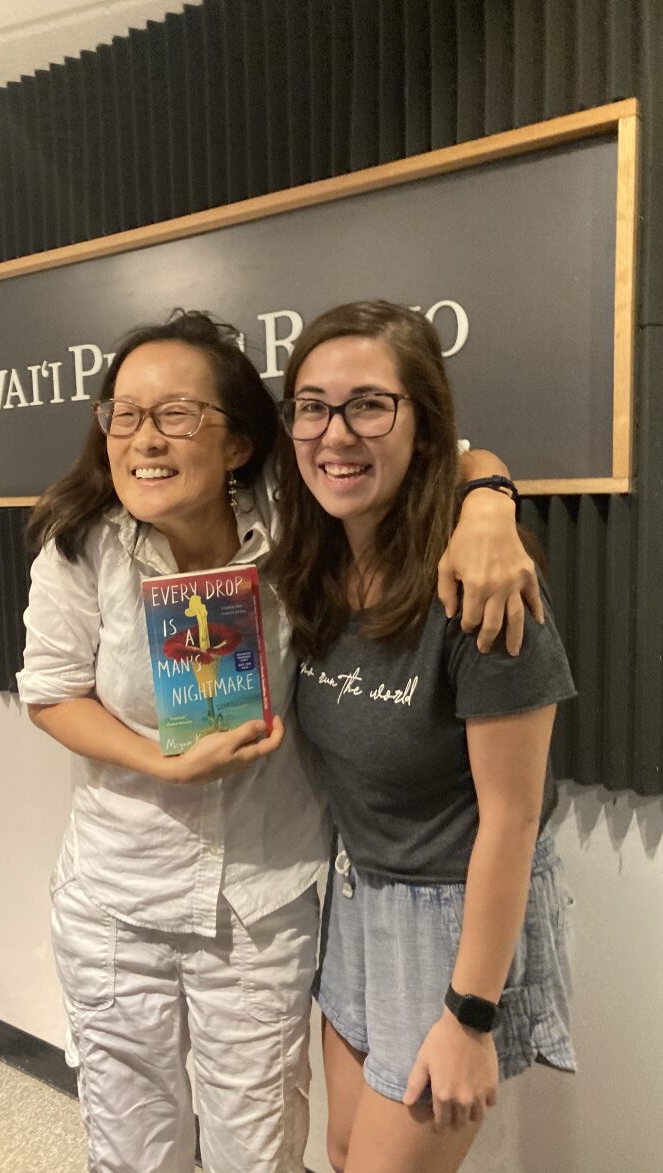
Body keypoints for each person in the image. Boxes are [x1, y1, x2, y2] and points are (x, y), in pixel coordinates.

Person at [16, 310, 536, 1173]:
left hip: (260, 906)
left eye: (177, 414)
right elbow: (50, 692)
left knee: (258, 1151)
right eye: (124, 414)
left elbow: (440, 451)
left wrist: (489, 500)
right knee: (130, 1145)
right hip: (117, 898)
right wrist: (161, 760)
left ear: (239, 443)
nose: (145, 438)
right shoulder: (83, 550)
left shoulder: (300, 529)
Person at [271, 301, 576, 1173]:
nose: (337, 432)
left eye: (370, 403)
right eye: (313, 405)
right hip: (357, 896)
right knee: (340, 1150)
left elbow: (513, 821)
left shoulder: (482, 591)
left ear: (422, 424)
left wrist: (471, 1015)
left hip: (452, 915)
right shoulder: (320, 562)